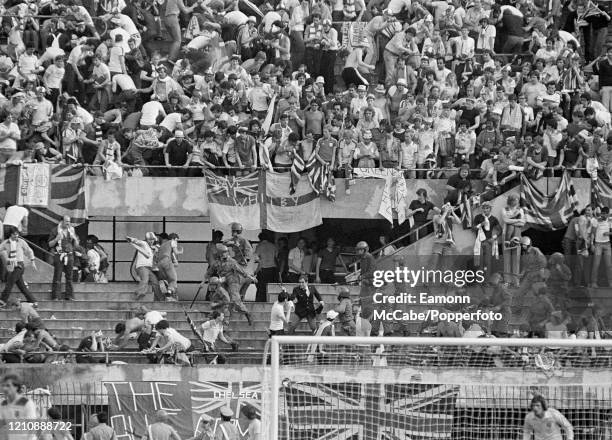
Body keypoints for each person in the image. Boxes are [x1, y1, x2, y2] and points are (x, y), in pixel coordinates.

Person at [205, 244, 255, 325]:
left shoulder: (232, 261)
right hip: (223, 282)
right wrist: (203, 282)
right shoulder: (217, 263)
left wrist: (250, 277)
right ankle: (225, 319)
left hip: (233, 281)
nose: (226, 254)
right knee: (222, 299)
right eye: (224, 252)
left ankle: (247, 313)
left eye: (226, 252)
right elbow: (209, 273)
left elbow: (241, 271)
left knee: (236, 301)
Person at [0, 227, 37, 306]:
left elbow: (29, 250)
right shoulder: (6, 243)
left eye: (17, 234)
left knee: (10, 282)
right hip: (11, 264)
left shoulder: (21, 242)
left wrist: (32, 260)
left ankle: (2, 300)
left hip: (19, 265)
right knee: (21, 286)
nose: (16, 236)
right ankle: (33, 301)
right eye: (14, 234)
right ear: (11, 234)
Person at [48, 216, 79, 301]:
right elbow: (50, 244)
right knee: (57, 276)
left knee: (69, 276)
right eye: (66, 221)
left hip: (69, 255)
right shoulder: (55, 230)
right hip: (59, 255)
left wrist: (75, 239)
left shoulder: (71, 230)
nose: (68, 223)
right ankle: (55, 296)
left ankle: (69, 295)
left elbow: (76, 246)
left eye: (69, 221)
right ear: (62, 221)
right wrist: (56, 239)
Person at [0, 374, 38, 440]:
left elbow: (32, 427)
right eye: (3, 386)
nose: (5, 388)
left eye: (8, 386)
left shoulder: (26, 403)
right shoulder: (3, 404)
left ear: (16, 387)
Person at [127, 232, 161, 300]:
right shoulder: (144, 244)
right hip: (142, 267)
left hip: (148, 268)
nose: (151, 241)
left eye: (152, 240)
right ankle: (137, 295)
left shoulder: (151, 248)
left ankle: (159, 298)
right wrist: (131, 239)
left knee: (155, 282)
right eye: (149, 239)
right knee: (145, 280)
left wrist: (155, 251)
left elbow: (154, 258)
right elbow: (138, 241)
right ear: (146, 239)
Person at [254, 231, 277, 302]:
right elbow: (276, 257)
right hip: (272, 269)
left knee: (261, 287)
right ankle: (270, 301)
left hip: (263, 269)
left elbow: (256, 258)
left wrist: (255, 271)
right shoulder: (273, 246)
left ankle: (260, 302)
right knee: (270, 286)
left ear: (260, 239)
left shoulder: (259, 246)